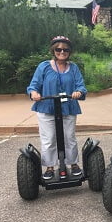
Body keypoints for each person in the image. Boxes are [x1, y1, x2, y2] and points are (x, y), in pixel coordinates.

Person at [27, 36, 87, 180]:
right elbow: (33, 85)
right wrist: (34, 93)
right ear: (53, 50)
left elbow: (81, 86)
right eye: (58, 49)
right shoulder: (44, 66)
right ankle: (49, 167)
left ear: (69, 51)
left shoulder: (73, 67)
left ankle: (73, 164)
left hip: (68, 107)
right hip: (47, 107)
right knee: (49, 139)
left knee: (69, 138)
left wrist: (78, 92)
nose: (62, 52)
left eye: (65, 49)